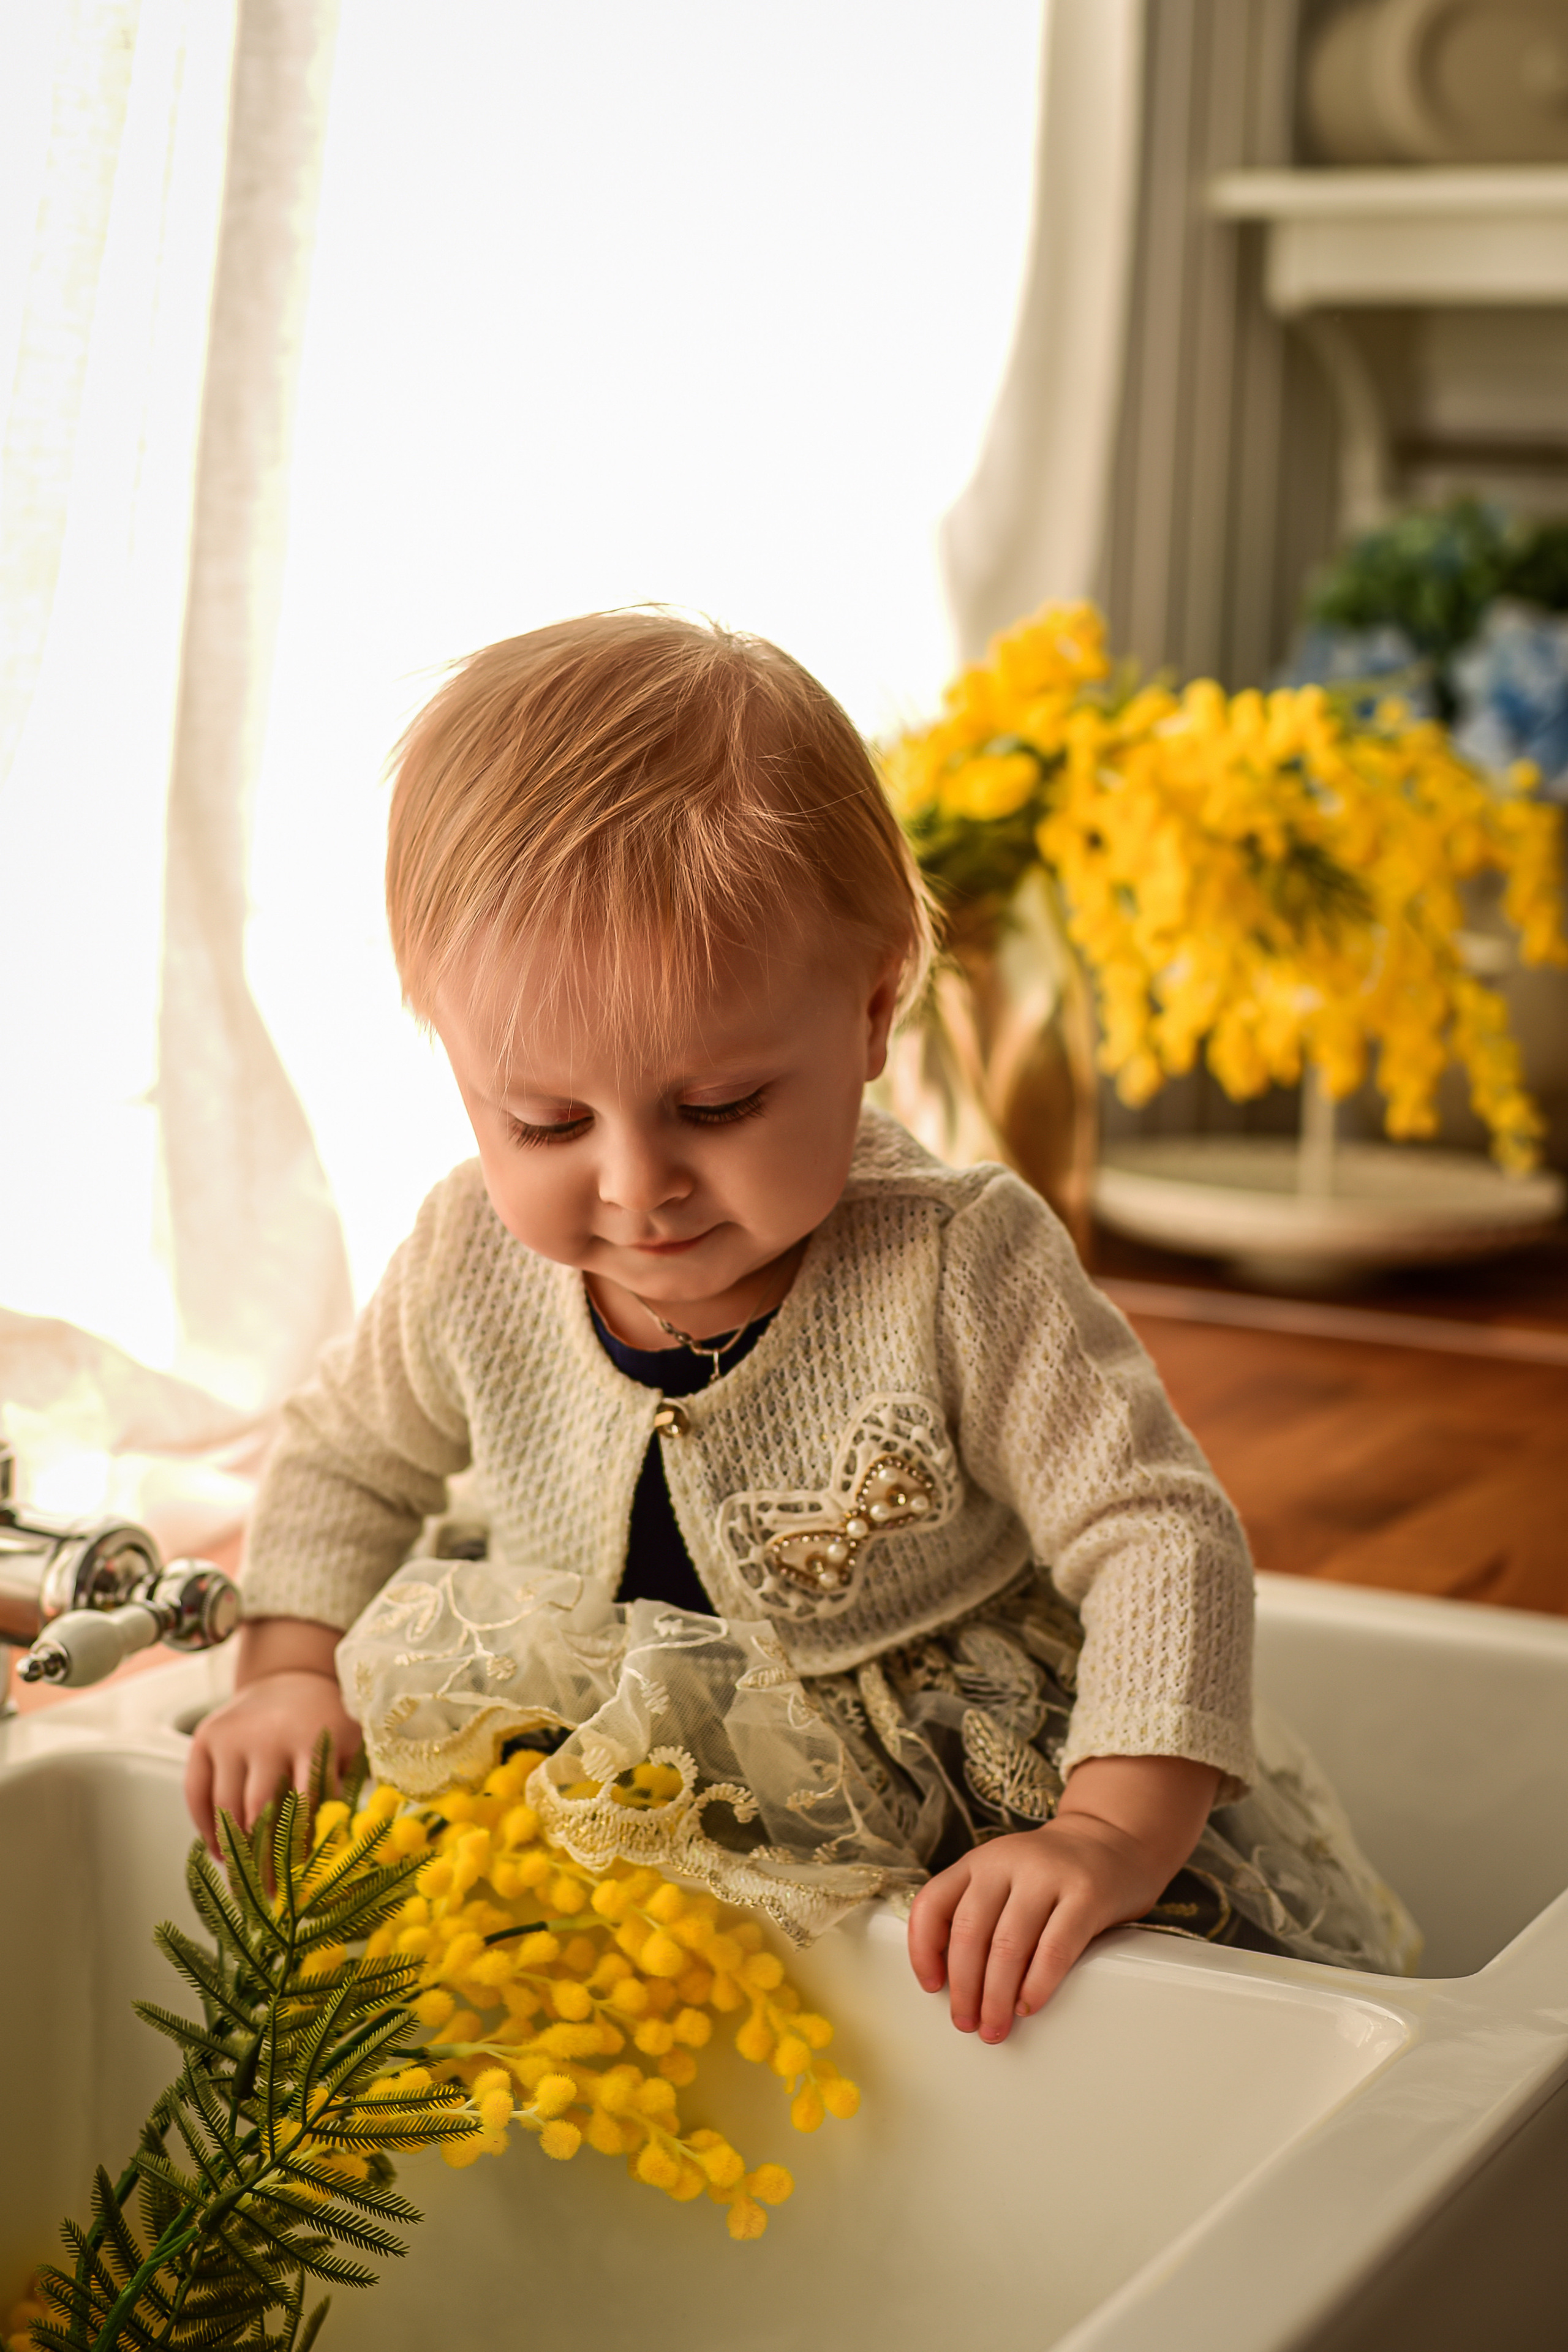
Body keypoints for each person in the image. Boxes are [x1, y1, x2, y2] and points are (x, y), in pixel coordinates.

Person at [187, 609, 1417, 2041]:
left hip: (943, 1812)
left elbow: (1157, 1534)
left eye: (718, 1108)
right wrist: (285, 1671)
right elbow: (349, 1455)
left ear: (874, 1005)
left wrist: (1102, 1833)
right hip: (592, 1781)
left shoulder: (956, 1259)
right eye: (543, 1120)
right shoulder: (470, 1249)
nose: (638, 1184)